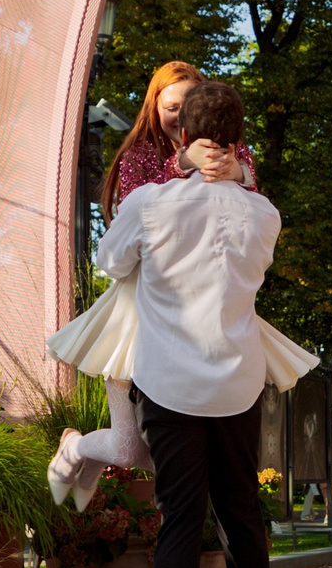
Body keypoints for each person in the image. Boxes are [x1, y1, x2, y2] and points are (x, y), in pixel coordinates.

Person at [92, 80, 305, 568]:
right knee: (241, 509)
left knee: (180, 518)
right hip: (237, 381)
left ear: (181, 138)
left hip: (169, 382)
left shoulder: (151, 205)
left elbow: (111, 263)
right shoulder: (264, 214)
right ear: (238, 144)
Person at [44, 60, 258, 505]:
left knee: (173, 456)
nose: (180, 115)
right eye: (171, 106)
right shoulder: (138, 154)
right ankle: (76, 448)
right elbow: (134, 218)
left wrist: (238, 173)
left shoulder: (235, 152)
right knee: (130, 447)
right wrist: (183, 163)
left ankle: (91, 456)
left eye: (188, 105)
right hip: (134, 313)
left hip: (202, 315)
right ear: (154, 106)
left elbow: (252, 207)